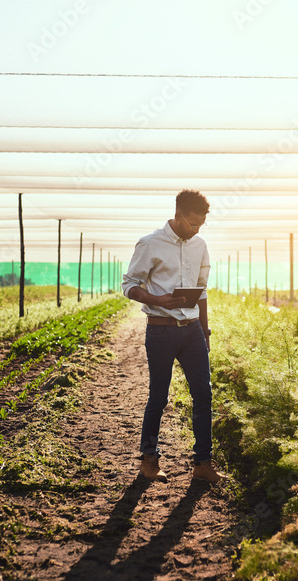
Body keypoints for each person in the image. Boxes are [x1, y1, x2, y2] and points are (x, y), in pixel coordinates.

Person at [121, 189, 226, 484]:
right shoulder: (150, 243)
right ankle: (149, 460)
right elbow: (129, 285)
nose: (196, 230)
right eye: (192, 224)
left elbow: (202, 290)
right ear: (177, 214)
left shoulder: (200, 245)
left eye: (201, 226)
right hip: (160, 329)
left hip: (192, 331)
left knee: (203, 394)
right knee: (159, 396)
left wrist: (204, 331)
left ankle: (203, 464)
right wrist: (158, 299)